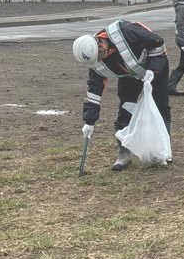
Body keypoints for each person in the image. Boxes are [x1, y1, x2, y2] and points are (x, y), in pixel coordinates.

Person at [73, 19, 171, 172]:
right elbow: (94, 91)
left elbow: (157, 42)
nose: (100, 60)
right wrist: (89, 121)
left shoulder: (126, 31)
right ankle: (124, 154)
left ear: (100, 44)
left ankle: (163, 150)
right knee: (126, 109)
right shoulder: (96, 61)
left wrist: (153, 69)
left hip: (155, 66)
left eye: (100, 55)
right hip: (129, 76)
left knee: (160, 107)